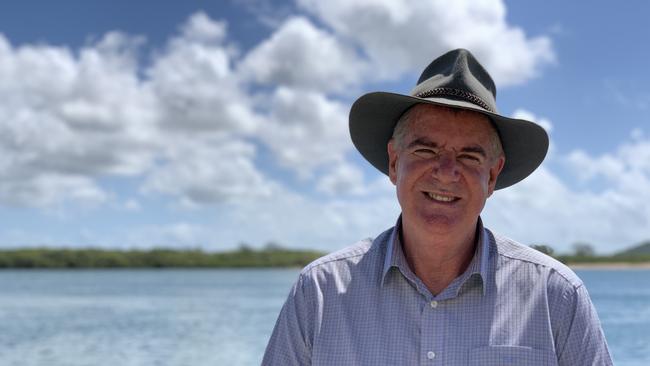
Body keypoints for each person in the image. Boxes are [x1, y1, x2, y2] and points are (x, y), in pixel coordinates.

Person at [262, 49, 612, 365]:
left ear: (492, 176)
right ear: (394, 162)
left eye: (469, 156)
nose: (446, 173)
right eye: (425, 151)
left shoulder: (556, 296)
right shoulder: (319, 293)